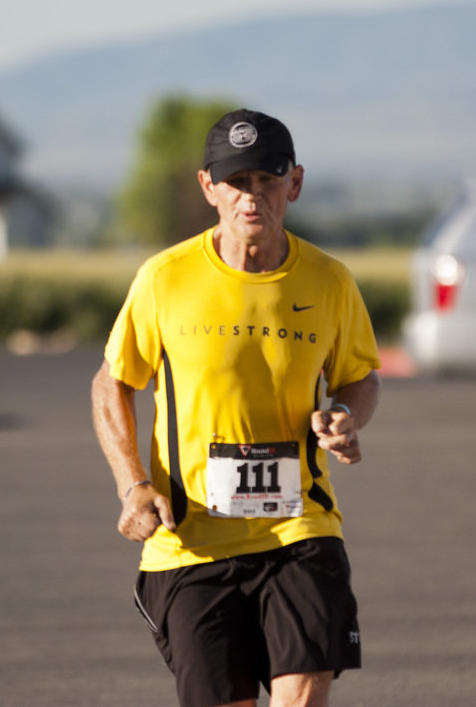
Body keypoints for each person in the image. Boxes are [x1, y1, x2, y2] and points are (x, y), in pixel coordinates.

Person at [91, 108, 381, 707]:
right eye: (236, 182)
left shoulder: (329, 282)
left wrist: (347, 415)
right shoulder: (165, 279)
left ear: (294, 183)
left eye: (267, 180)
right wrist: (131, 485)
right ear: (208, 187)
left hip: (299, 528)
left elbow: (359, 376)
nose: (252, 198)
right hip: (190, 543)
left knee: (302, 696)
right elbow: (112, 383)